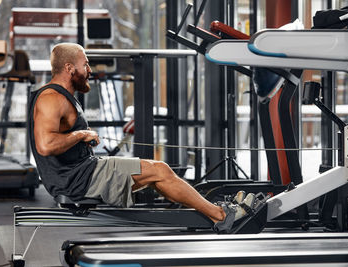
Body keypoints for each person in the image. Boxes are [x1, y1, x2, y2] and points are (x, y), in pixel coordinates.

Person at [28, 42, 251, 233]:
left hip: (82, 172)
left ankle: (212, 212)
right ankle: (221, 216)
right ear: (69, 68)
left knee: (157, 174)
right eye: (84, 64)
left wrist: (81, 137)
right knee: (160, 170)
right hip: (77, 180)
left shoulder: (61, 97)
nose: (88, 70)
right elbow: (45, 145)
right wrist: (81, 134)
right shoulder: (51, 98)